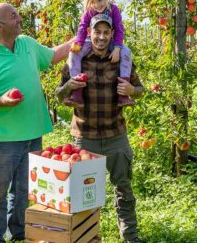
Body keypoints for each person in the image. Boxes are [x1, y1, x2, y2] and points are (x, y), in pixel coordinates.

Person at [0, 3, 72, 243]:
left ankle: (19, 233)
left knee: (24, 190)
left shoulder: (27, 44)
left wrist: (83, 33)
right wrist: (1, 100)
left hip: (33, 131)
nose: (20, 18)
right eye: (13, 16)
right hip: (4, 136)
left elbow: (54, 55)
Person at [56, 14, 144, 243]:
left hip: (116, 135)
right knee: (82, 194)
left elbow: (140, 88)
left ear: (112, 34)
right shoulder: (77, 59)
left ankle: (130, 237)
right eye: (97, 32)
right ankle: (85, 237)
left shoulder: (121, 60)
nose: (101, 37)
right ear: (90, 33)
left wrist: (131, 91)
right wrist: (69, 86)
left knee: (124, 189)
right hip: (85, 138)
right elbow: (58, 95)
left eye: (106, 32)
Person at [67, 0, 134, 108]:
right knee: (74, 54)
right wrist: (78, 43)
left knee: (126, 53)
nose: (97, 5)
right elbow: (82, 29)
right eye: (93, 2)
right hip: (90, 40)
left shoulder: (113, 10)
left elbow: (119, 30)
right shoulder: (88, 12)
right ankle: (77, 92)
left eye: (100, 0)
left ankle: (123, 94)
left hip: (112, 40)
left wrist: (117, 49)